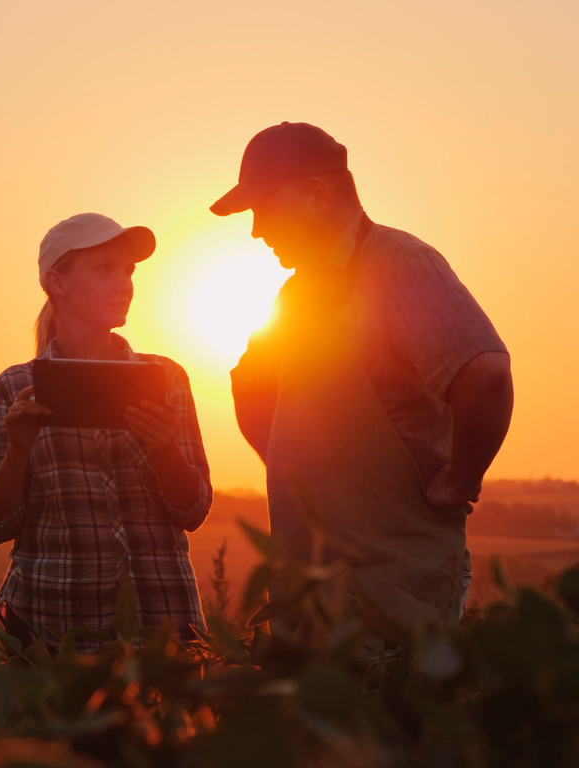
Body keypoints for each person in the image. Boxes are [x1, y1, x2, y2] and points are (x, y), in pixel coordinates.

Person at [211, 122, 513, 634]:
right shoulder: (296, 295)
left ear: (317, 194)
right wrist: (294, 471)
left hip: (397, 585)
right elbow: (250, 387)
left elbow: (485, 376)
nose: (257, 231)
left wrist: (461, 480)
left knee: (398, 709)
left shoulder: (403, 268)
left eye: (263, 208)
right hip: (307, 587)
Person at [0, 213, 213, 651]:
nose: (125, 283)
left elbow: (193, 509)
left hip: (162, 627)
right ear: (57, 283)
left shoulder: (167, 378)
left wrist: (163, 450)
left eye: (128, 270)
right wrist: (18, 450)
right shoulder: (12, 388)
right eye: (106, 269)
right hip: (52, 630)